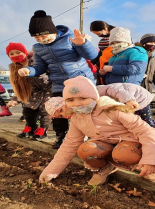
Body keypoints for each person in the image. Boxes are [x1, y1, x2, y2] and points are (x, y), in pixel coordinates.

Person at [39, 76, 155, 186]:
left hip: (130, 143)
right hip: (108, 145)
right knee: (86, 150)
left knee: (124, 156)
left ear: (93, 97)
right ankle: (105, 168)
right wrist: (50, 172)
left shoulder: (111, 108)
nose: (77, 104)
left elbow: (146, 131)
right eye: (71, 100)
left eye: (82, 98)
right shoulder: (76, 119)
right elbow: (69, 145)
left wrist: (152, 159)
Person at [17, 10, 98, 149]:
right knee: (58, 110)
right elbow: (40, 67)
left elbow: (91, 55)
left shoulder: (70, 38)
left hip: (81, 81)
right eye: (37, 38)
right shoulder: (38, 48)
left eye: (44, 35)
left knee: (86, 110)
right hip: (59, 84)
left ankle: (92, 137)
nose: (42, 39)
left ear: (53, 31)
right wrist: (29, 71)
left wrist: (82, 44)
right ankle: (61, 136)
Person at [46, 82, 155, 159]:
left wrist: (129, 100)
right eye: (60, 117)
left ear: (63, 103)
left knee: (147, 125)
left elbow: (116, 89)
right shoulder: (82, 106)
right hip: (124, 101)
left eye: (61, 112)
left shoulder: (91, 94)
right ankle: (142, 148)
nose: (64, 116)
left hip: (137, 97)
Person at [5, 42, 51, 140]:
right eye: (11, 54)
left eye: (18, 52)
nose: (15, 55)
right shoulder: (15, 68)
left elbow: (51, 71)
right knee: (27, 110)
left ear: (25, 52)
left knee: (45, 110)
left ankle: (43, 129)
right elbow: (19, 87)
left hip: (48, 88)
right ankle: (31, 127)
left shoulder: (36, 62)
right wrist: (15, 99)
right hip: (33, 92)